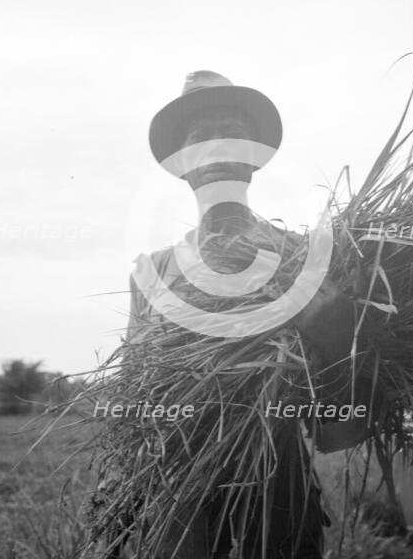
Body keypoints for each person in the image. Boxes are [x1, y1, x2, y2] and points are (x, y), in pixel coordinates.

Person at [123, 71, 369, 558]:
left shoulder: (307, 261)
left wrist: (337, 338)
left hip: (280, 490)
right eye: (199, 138)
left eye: (231, 134)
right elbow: (133, 404)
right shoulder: (153, 273)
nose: (217, 148)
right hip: (179, 498)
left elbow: (339, 430)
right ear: (183, 164)